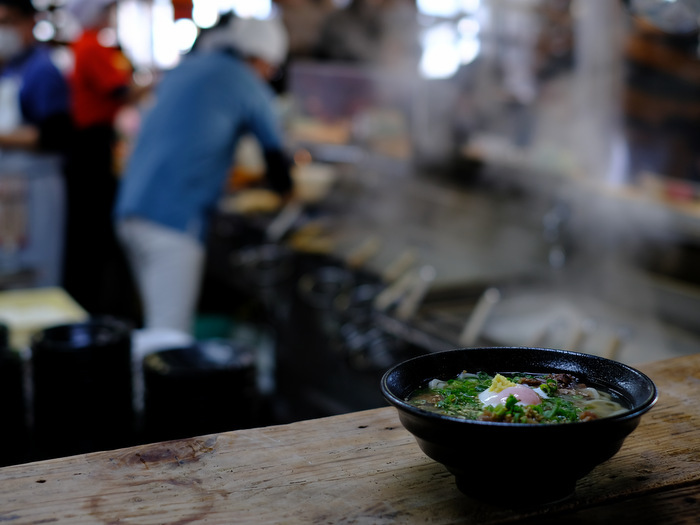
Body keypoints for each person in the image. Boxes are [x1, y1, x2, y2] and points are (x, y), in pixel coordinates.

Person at [114, 16, 294, 336]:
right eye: (271, 68)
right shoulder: (245, 81)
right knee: (168, 336)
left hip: (131, 210)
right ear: (260, 59)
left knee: (154, 321)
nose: (269, 76)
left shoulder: (188, 67)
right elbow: (276, 160)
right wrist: (290, 197)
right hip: (172, 221)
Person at [62, 0, 141, 317]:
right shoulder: (91, 45)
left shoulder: (93, 45)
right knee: (94, 234)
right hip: (91, 147)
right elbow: (119, 91)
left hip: (93, 144)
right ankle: (95, 309)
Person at [0, 0, 72, 287]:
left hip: (35, 188)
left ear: (30, 22)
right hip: (9, 189)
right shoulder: (9, 69)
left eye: (7, 22)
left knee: (34, 275)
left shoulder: (42, 70)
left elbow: (55, 134)